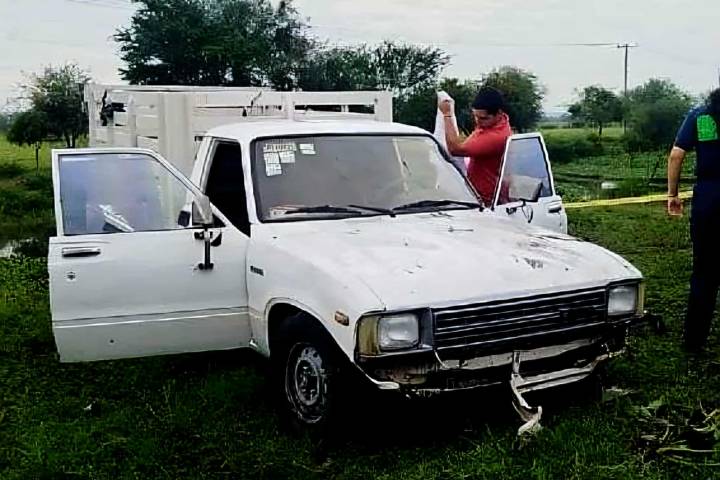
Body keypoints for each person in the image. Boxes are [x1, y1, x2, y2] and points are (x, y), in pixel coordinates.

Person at [667, 88, 720, 352]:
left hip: (709, 199)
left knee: (704, 272)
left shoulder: (700, 116)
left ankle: (694, 341)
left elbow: (676, 155)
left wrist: (673, 195)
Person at [439, 87, 512, 205]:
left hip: (486, 201)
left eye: (483, 118)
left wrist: (447, 115)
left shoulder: (496, 137)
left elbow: (455, 149)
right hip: (478, 194)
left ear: (499, 113)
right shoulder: (492, 124)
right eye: (475, 116)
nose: (478, 122)